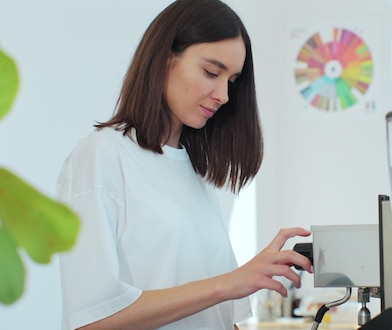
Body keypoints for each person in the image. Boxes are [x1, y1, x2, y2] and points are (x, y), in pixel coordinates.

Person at [56, 0, 313, 329]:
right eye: (211, 72)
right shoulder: (102, 156)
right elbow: (90, 319)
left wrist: (238, 283)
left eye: (232, 81)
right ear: (164, 59)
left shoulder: (192, 170)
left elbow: (219, 318)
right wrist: (229, 283)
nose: (224, 95)